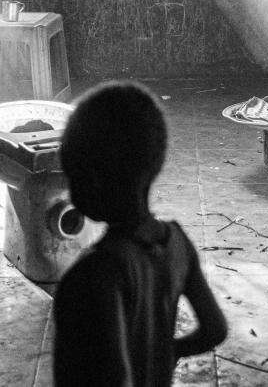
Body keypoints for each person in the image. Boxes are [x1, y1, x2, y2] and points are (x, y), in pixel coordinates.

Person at [54, 81, 227, 386]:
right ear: (154, 166)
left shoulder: (90, 276)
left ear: (90, 178)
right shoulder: (176, 243)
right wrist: (167, 351)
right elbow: (215, 329)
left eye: (71, 174)